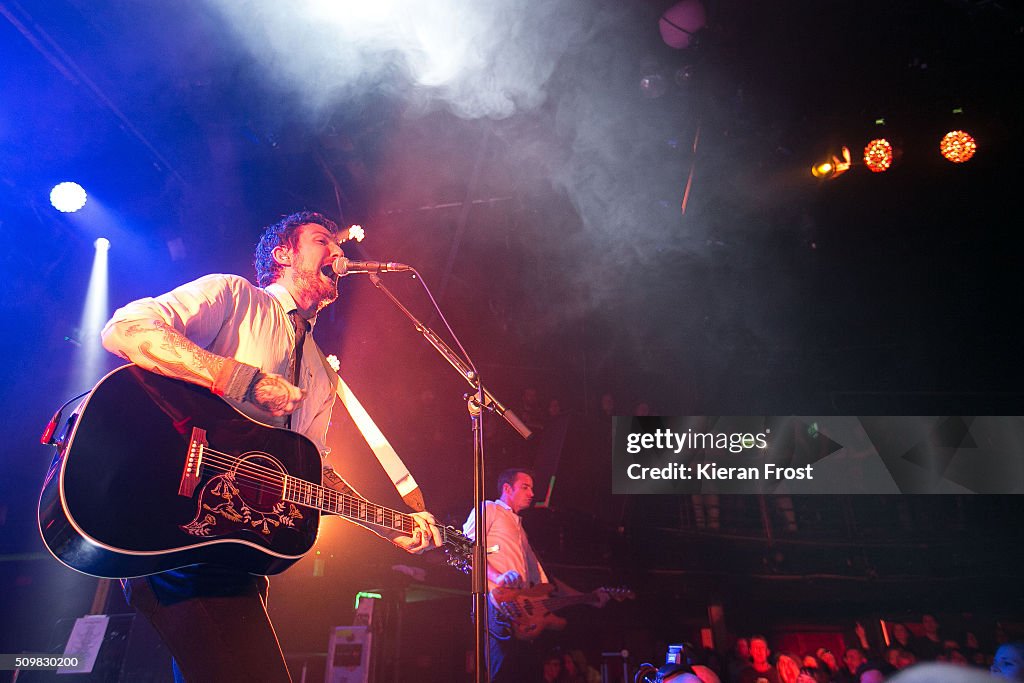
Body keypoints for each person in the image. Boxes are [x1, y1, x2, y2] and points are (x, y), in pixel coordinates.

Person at [100, 211, 442, 682]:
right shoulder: (235, 296)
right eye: (323, 241)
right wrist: (238, 378)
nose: (339, 252)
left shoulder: (324, 375)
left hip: (235, 548)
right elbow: (126, 328)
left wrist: (387, 524)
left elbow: (310, 472)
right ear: (283, 256)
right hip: (168, 520)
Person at [463, 468, 606, 682]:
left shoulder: (520, 530)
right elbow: (466, 549)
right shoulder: (490, 508)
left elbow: (545, 584)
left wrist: (589, 597)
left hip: (521, 613)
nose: (531, 493)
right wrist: (497, 577)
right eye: (525, 487)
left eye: (532, 488)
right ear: (506, 489)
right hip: (496, 605)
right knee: (503, 672)